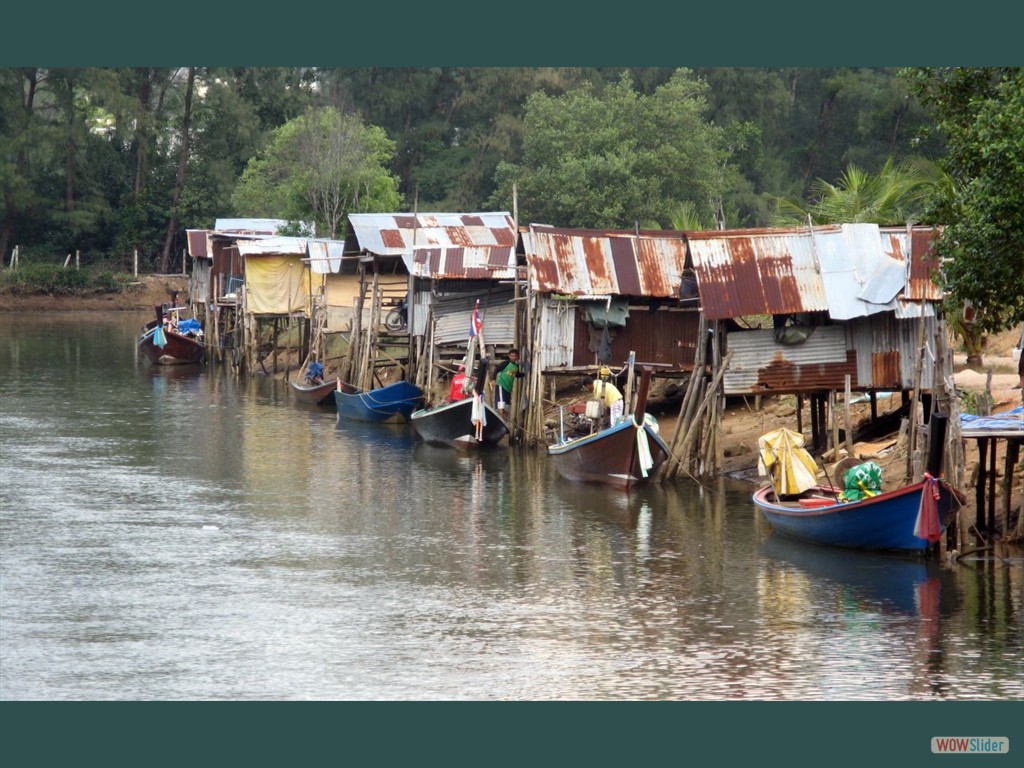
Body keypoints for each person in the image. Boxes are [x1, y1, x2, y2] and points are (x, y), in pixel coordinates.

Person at [494, 348, 523, 414]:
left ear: (518, 357)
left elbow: (517, 375)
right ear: (509, 356)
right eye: (512, 356)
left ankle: (505, 422)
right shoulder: (505, 363)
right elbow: (496, 370)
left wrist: (525, 374)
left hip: (508, 389)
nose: (513, 357)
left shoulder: (516, 366)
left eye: (515, 356)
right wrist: (493, 379)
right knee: (501, 406)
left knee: (507, 407)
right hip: (501, 386)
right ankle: (501, 420)